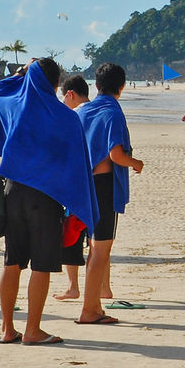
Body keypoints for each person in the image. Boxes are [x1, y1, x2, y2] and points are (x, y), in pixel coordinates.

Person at [0, 58, 98, 345]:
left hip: (12, 192)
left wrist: (23, 73)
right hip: (45, 198)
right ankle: (33, 330)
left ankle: (8, 329)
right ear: (57, 85)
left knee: (12, 262)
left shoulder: (13, 106)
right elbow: (77, 166)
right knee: (41, 265)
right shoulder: (66, 117)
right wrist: (77, 207)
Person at [75, 63, 144, 325]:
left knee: (94, 249)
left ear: (96, 86)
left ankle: (94, 305)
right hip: (104, 186)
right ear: (122, 87)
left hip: (85, 186)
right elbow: (116, 155)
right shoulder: (113, 112)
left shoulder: (84, 111)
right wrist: (135, 163)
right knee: (101, 250)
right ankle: (88, 310)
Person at [54, 74, 91, 301]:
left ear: (70, 94)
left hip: (75, 184)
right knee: (96, 239)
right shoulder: (96, 112)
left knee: (72, 234)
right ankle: (102, 286)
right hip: (95, 181)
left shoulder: (72, 116)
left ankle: (73, 286)